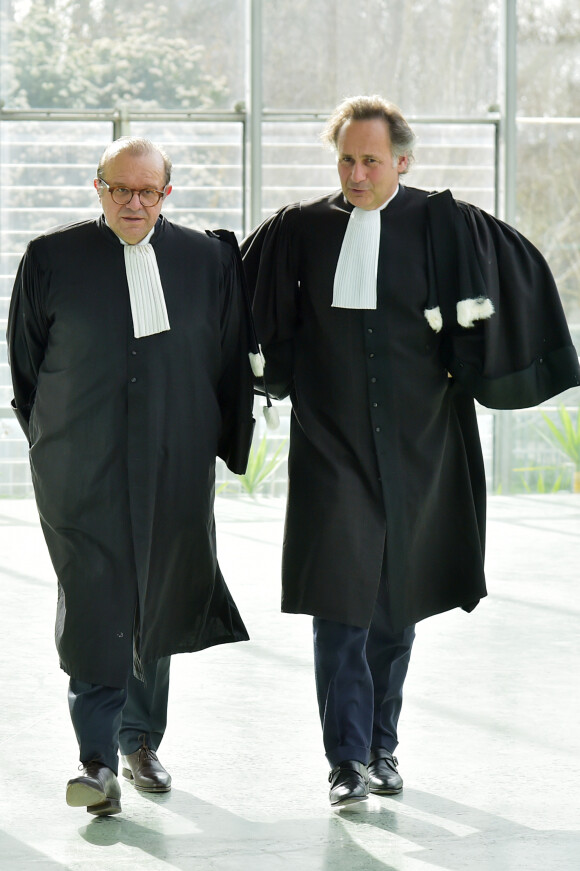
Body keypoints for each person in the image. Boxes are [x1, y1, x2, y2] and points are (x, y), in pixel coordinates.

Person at [241, 95, 580, 807]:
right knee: (339, 602)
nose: (357, 173)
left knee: (396, 603)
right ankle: (344, 761)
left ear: (402, 160)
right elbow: (256, 304)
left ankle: (381, 747)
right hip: (329, 440)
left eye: (370, 160)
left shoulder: (442, 223)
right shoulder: (301, 229)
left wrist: (478, 361)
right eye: (346, 159)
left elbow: (500, 289)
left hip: (420, 437)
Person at [7, 137, 256, 816]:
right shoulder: (50, 259)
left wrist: (222, 445)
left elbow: (228, 360)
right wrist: (57, 444)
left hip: (174, 463)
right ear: (98, 188)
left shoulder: (206, 261)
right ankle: (95, 760)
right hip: (78, 467)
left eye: (149, 190)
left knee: (157, 593)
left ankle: (139, 742)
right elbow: (25, 369)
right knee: (95, 599)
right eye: (121, 189)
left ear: (167, 194)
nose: (135, 202)